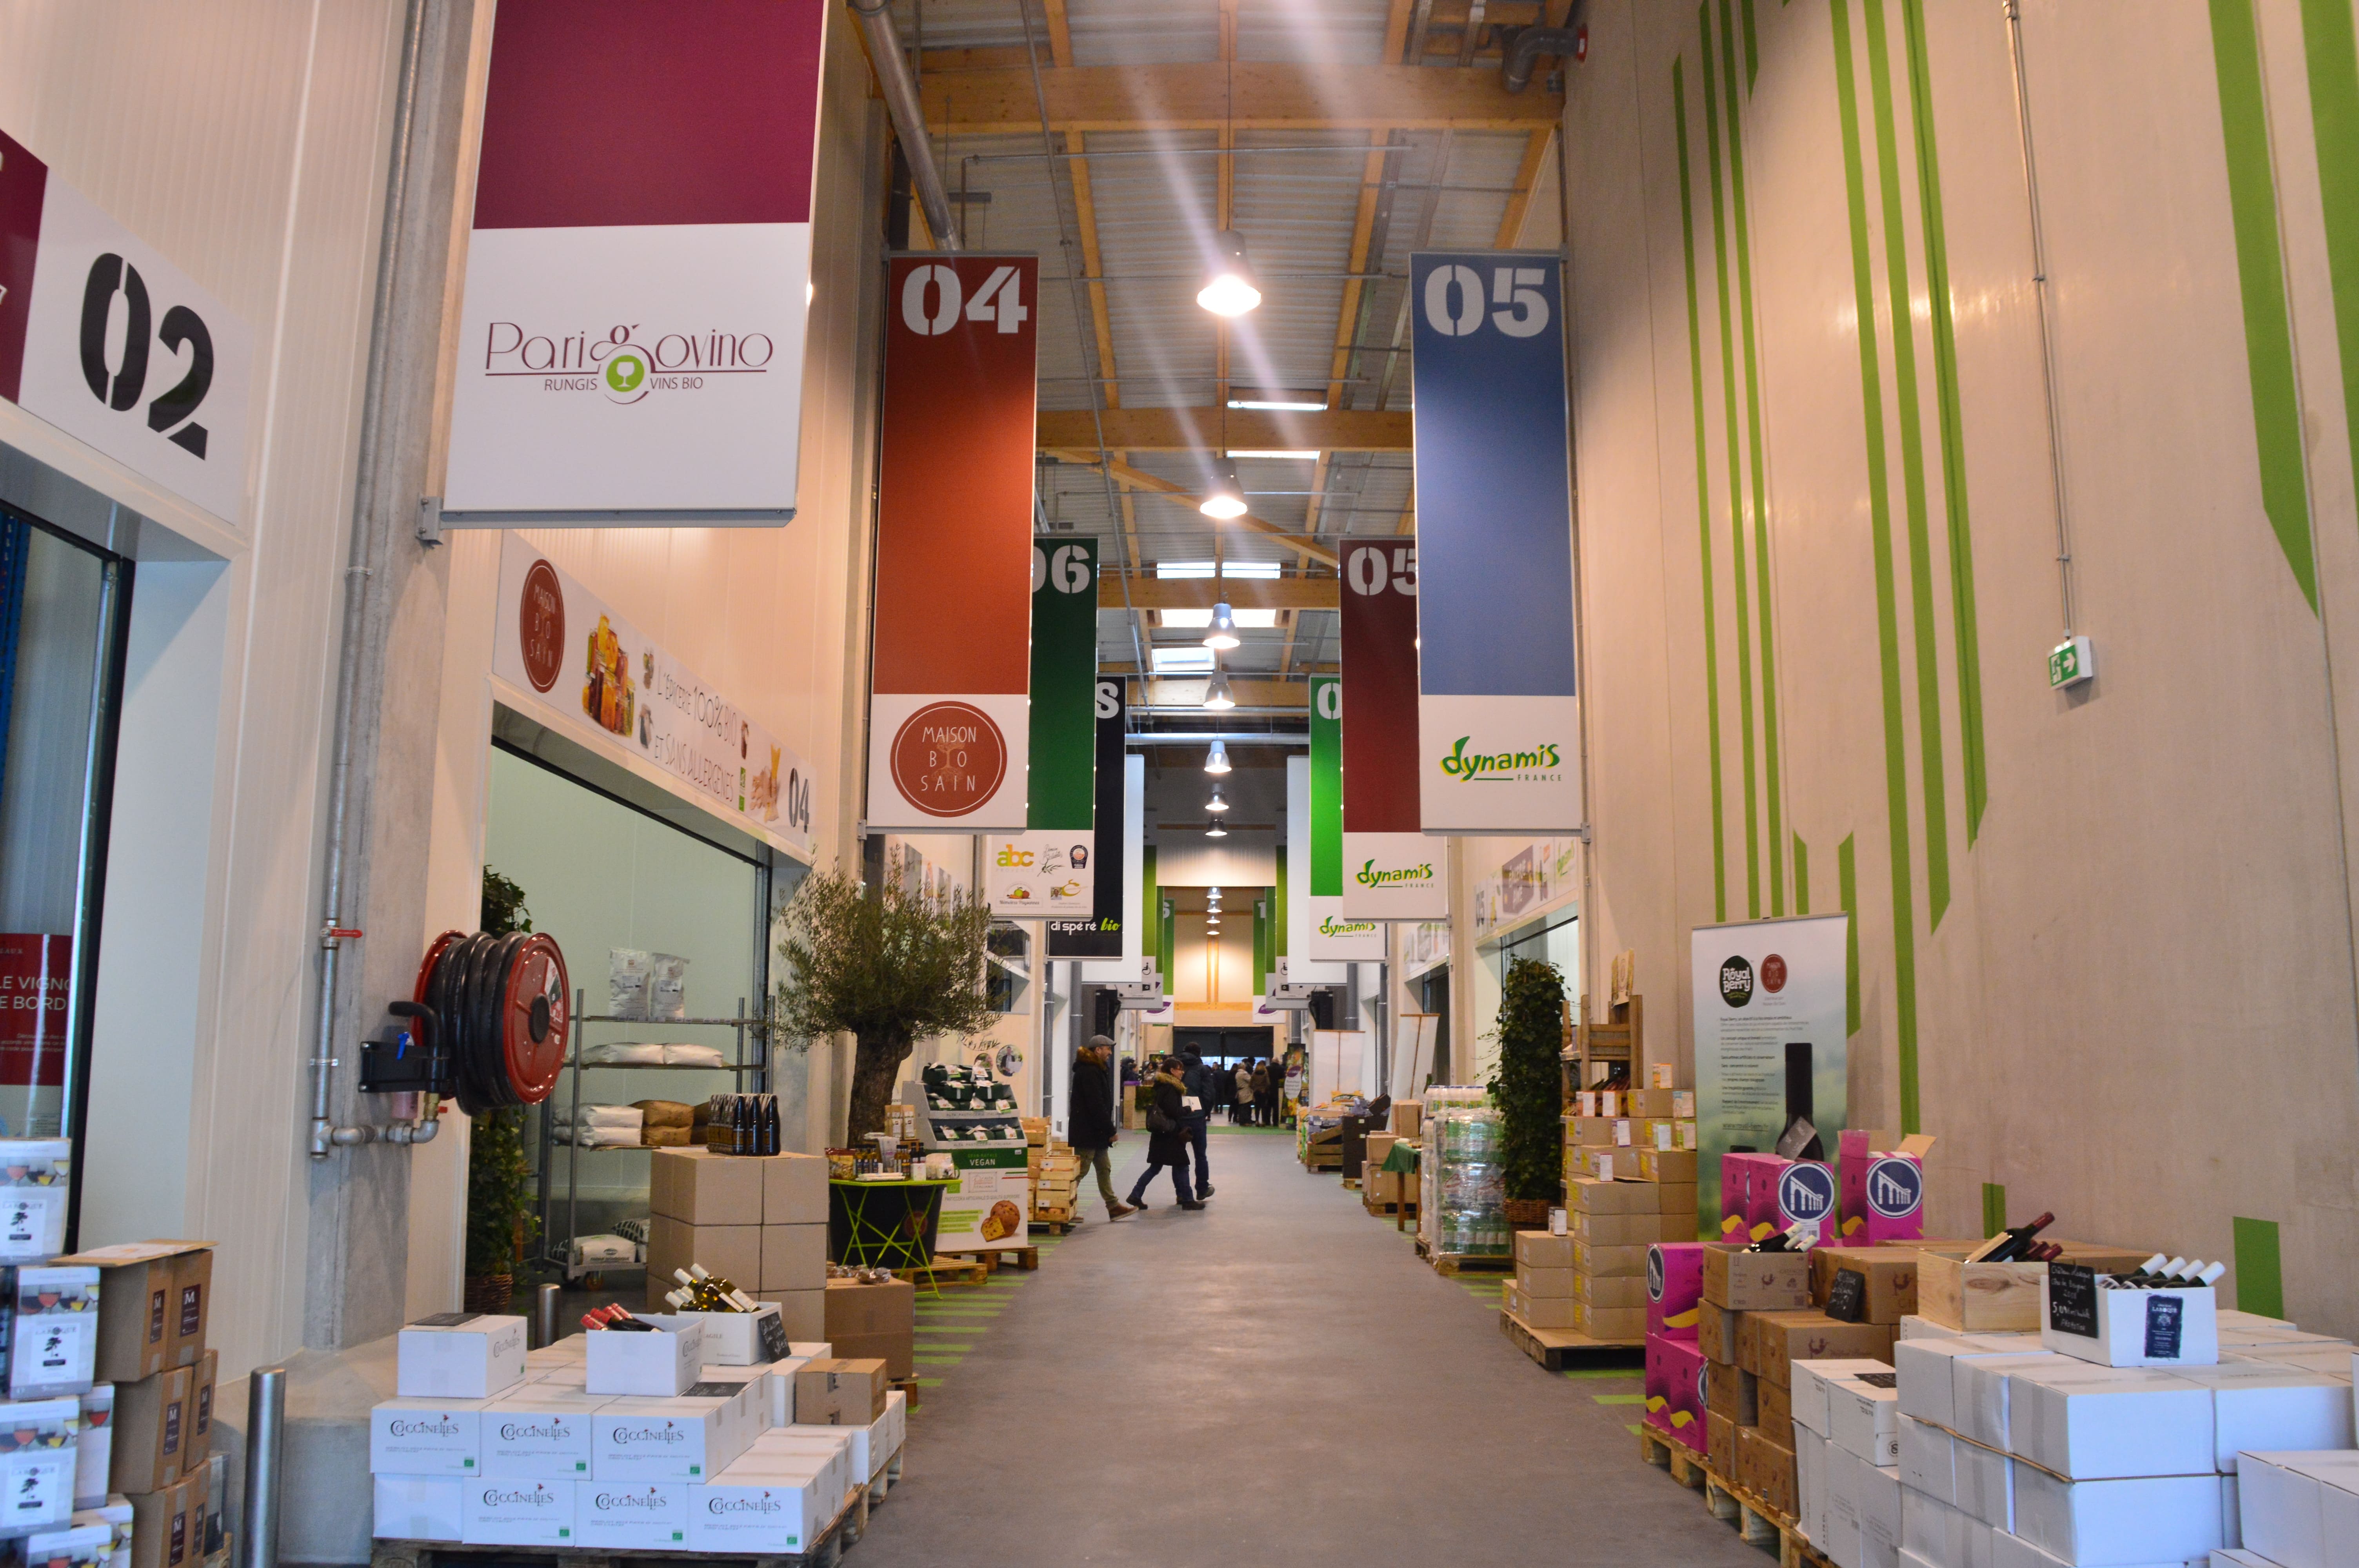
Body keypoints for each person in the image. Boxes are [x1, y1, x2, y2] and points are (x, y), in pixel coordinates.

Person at [1067, 1035, 1136, 1219]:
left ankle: (1113, 1206)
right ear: (1098, 1050)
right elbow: (1096, 1105)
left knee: (1104, 1168)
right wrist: (1111, 1131)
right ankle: (1062, 1206)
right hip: (1087, 1131)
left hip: (1095, 1132)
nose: (1110, 1053)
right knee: (1080, 1171)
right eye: (1108, 1049)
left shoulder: (1096, 1070)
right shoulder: (1089, 1072)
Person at [1125, 1058, 1201, 1210]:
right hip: (1170, 1134)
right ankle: (1187, 1200)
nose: (1182, 1072)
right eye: (1180, 1069)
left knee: (1156, 1167)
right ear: (1173, 1071)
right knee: (1182, 1165)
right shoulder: (1171, 1088)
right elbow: (1172, 1111)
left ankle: (1136, 1195)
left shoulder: (1162, 1086)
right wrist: (1187, 1109)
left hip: (1161, 1133)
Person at [1179, 1050, 1216, 1198]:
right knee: (1200, 1156)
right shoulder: (1202, 1069)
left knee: (1179, 1157)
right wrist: (1205, 1112)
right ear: (1199, 1054)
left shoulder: (1177, 1066)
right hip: (1197, 1118)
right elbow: (1209, 1093)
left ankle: (1182, 1193)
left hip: (1180, 1117)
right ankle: (1202, 1189)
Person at [1253, 1058, 1275, 1126]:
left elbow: (1250, 1084)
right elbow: (1268, 1083)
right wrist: (1265, 1089)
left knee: (1257, 1107)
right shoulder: (1266, 1073)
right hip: (1263, 1092)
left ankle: (1257, 1121)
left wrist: (1254, 1088)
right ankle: (1263, 1121)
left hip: (1256, 1092)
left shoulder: (1254, 1073)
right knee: (1263, 1107)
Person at [1233, 1060, 1254, 1124]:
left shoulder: (1237, 1074)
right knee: (1246, 1107)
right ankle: (1246, 1121)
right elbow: (1251, 1080)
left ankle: (1242, 1120)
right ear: (1243, 1067)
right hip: (1246, 1092)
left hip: (1240, 1092)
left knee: (1242, 1107)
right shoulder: (1244, 1074)